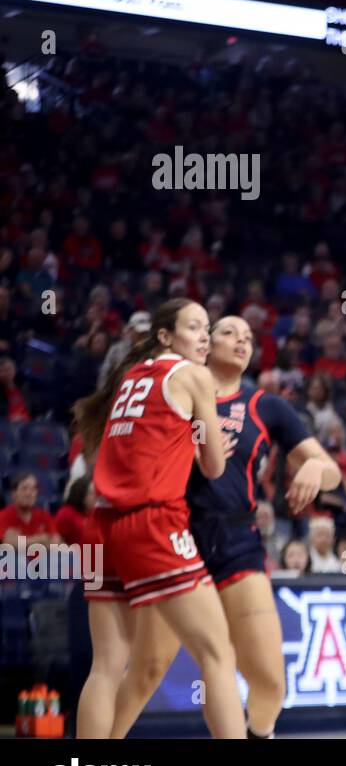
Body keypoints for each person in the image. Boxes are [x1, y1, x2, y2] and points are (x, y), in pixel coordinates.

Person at [108, 315, 341, 739]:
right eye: (230, 332)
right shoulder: (172, 389)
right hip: (176, 537)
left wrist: (312, 467)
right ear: (204, 343)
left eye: (249, 337)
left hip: (237, 541)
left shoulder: (267, 405)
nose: (242, 340)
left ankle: (258, 733)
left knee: (270, 680)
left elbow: (333, 472)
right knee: (146, 670)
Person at [70, 298, 242, 738]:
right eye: (194, 327)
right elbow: (214, 466)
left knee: (106, 666)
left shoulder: (131, 376)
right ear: (166, 336)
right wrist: (211, 433)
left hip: (101, 527)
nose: (204, 336)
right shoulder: (195, 377)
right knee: (217, 653)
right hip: (150, 524)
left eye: (208, 328)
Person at [0, 472, 57, 550]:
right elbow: (10, 543)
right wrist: (41, 538)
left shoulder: (44, 516)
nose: (29, 493)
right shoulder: (4, 516)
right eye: (24, 488)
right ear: (13, 494)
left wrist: (23, 542)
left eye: (33, 489)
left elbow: (56, 542)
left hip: (41, 561)